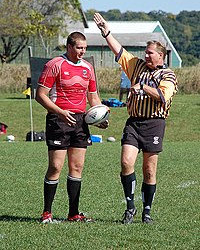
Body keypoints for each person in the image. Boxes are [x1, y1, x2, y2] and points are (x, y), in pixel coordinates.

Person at [94, 13, 178, 224]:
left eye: (150, 53)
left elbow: (162, 96)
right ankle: (130, 207)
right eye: (145, 52)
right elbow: (119, 51)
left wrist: (142, 87)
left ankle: (147, 211)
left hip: (154, 124)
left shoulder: (168, 76)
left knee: (149, 170)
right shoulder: (137, 66)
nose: (146, 56)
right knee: (125, 162)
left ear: (161, 56)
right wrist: (106, 32)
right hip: (134, 122)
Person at [36, 31, 108, 223]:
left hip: (80, 121)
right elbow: (40, 95)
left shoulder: (88, 68)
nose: (82, 52)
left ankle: (73, 214)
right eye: (79, 48)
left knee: (77, 167)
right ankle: (47, 214)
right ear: (69, 46)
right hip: (58, 121)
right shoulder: (54, 65)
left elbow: (93, 98)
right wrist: (60, 112)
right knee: (55, 166)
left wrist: (100, 116)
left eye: (85, 48)